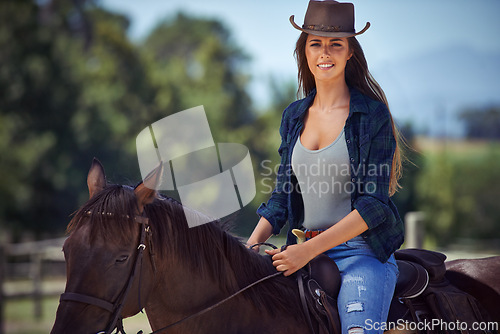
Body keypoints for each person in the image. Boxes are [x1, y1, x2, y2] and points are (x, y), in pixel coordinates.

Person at [246, 1, 405, 333]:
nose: (325, 52)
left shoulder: (371, 116)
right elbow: (281, 195)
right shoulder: (293, 115)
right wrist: (249, 248)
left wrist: (307, 251)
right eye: (315, 43)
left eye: (336, 44)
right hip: (300, 249)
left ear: (350, 52)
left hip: (361, 255)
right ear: (304, 51)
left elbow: (374, 206)